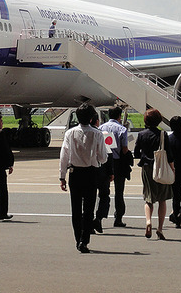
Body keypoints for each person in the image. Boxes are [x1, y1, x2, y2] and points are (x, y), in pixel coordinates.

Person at [59, 104, 108, 253]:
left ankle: (77, 238)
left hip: (75, 173)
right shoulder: (97, 134)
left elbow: (64, 156)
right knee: (88, 209)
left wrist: (62, 176)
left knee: (75, 208)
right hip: (91, 173)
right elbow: (103, 157)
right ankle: (84, 240)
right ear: (92, 118)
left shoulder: (70, 133)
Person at [134, 108, 174, 240]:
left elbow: (136, 153)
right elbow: (169, 154)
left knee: (148, 197)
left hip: (147, 167)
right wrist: (172, 169)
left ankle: (148, 221)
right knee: (162, 199)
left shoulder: (141, 134)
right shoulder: (163, 135)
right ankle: (160, 228)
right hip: (161, 168)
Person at [99, 106, 131, 227]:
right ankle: (118, 217)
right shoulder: (122, 129)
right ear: (119, 116)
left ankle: (99, 217)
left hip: (104, 161)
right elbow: (124, 149)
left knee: (103, 191)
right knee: (119, 191)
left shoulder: (101, 128)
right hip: (118, 162)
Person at [91, 112, 113, 234]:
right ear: (97, 121)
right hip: (103, 170)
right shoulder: (104, 134)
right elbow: (109, 155)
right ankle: (98, 218)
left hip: (89, 169)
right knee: (104, 196)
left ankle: (88, 221)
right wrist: (111, 172)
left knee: (89, 197)